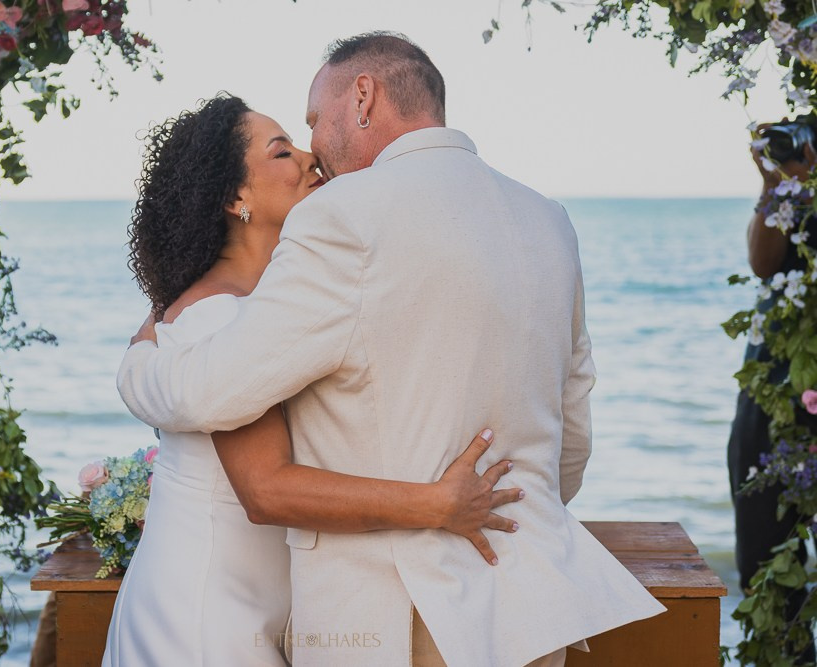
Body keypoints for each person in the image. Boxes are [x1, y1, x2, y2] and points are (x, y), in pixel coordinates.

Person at [118, 32, 665, 667]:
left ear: (363, 96)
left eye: (314, 121)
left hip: (399, 620)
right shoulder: (548, 220)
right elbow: (572, 427)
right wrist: (511, 521)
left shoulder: (344, 216)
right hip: (528, 608)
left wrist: (138, 366)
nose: (313, 148)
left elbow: (208, 392)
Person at [102, 94, 525, 667]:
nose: (309, 158)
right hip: (207, 617)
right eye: (282, 151)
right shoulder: (220, 315)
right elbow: (265, 490)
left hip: (249, 603)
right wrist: (436, 505)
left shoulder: (258, 303)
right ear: (235, 198)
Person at [727, 124, 817, 663]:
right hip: (775, 390)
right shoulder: (791, 193)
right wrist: (778, 186)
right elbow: (763, 266)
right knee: (765, 555)